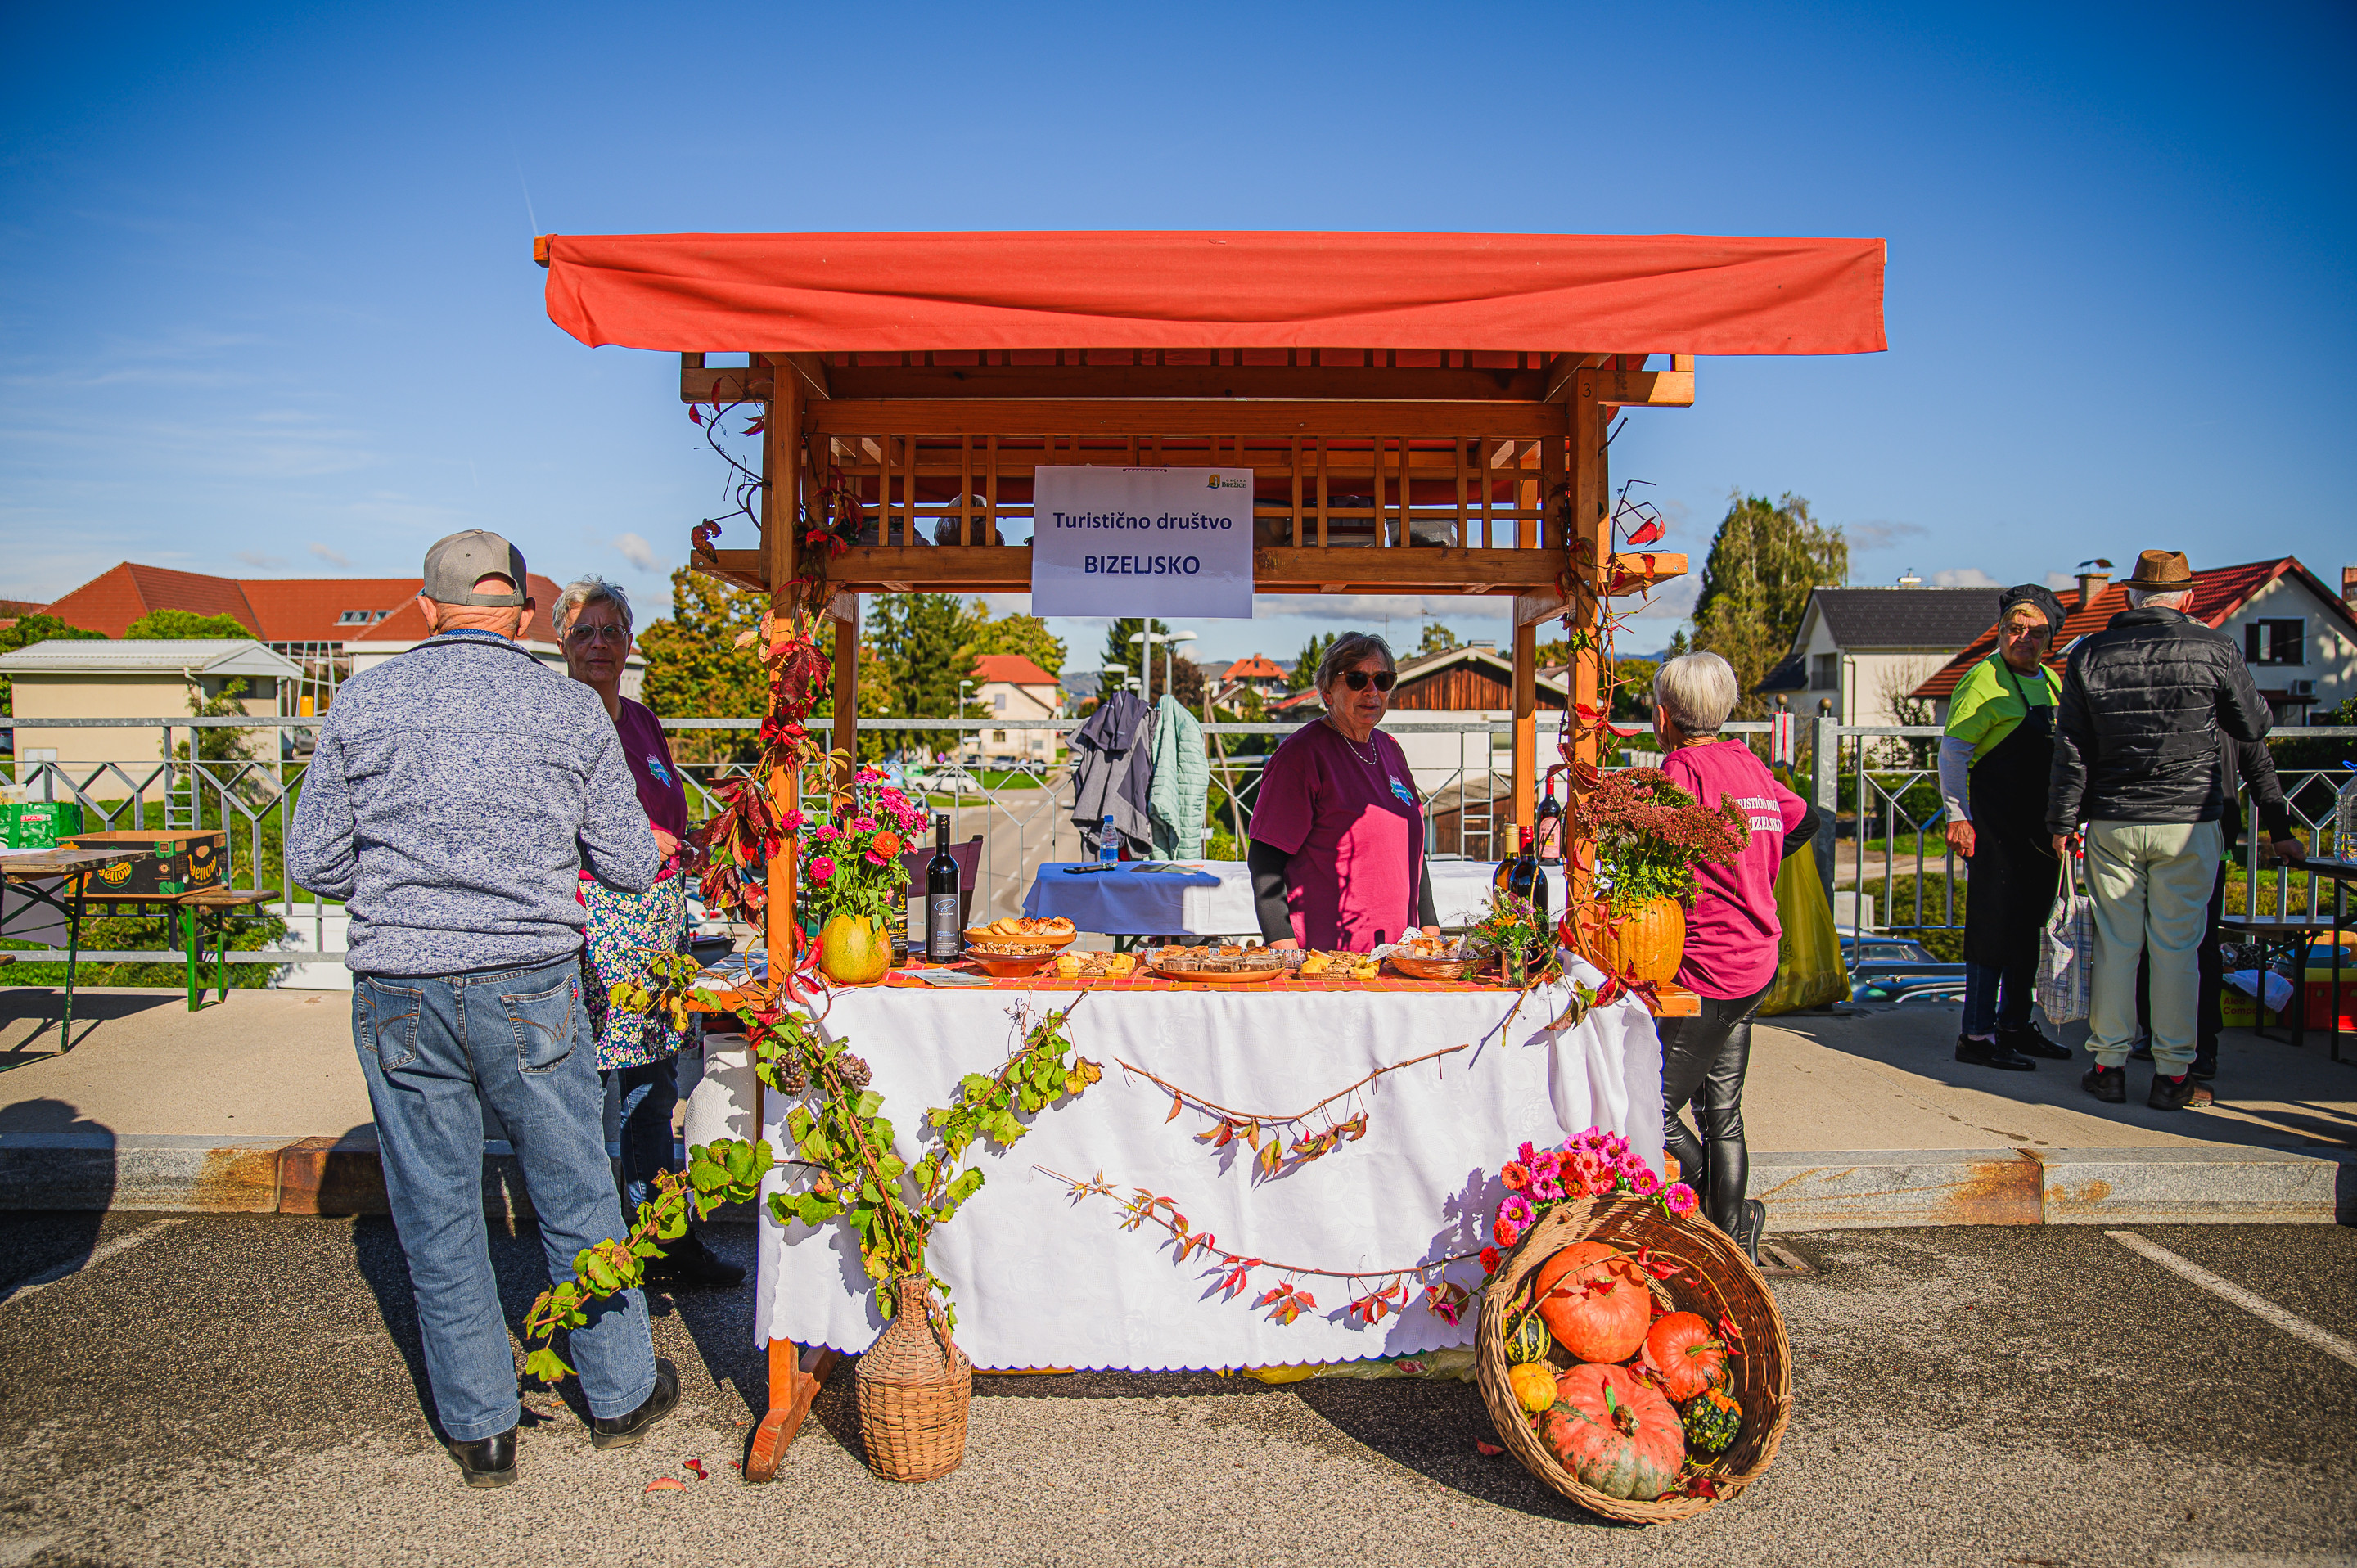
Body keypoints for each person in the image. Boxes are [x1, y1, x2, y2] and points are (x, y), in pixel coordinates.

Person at [288, 531, 678, 1489]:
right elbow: (631, 860)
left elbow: (313, 860)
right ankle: (621, 1392)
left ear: (427, 609)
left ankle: (480, 1428)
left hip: (400, 983)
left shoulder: (363, 698)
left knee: (436, 1206)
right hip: (532, 981)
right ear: (516, 616)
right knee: (577, 1187)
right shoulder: (565, 708)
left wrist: (412, 885)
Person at [553, 576, 743, 1290]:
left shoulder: (639, 720)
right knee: (582, 1092)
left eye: (611, 632)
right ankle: (595, 1253)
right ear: (561, 642)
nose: (599, 645)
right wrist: (636, 845)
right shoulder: (556, 722)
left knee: (655, 1090)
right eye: (584, 633)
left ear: (629, 643)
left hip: (655, 931)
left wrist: (684, 845)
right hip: (586, 929)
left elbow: (666, 811)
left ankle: (664, 1238)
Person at [2048, 548, 2272, 1111]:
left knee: (2118, 947)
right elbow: (2253, 724)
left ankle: (2108, 1065)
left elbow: (2070, 746)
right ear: (2188, 599)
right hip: (2189, 820)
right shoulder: (2214, 648)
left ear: (2128, 596)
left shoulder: (2091, 652)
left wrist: (2062, 819)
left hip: (2114, 819)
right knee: (2178, 949)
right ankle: (2175, 1074)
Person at [1650, 652, 1818, 1263]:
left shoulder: (1682, 770)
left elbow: (1652, 856)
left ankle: (1706, 1198)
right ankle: (1731, 1235)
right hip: (1756, 956)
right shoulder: (1748, 763)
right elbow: (1803, 818)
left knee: (1647, 1103)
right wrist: (1753, 865)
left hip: (1710, 967)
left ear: (1664, 716)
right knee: (1721, 1110)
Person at [1939, 583, 2073, 1071]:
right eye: (2014, 629)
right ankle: (1976, 1035)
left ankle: (2015, 1026)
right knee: (1993, 930)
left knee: (2029, 931)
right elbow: (1954, 752)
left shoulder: (2054, 682)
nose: (2023, 638)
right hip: (1993, 826)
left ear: (2050, 639)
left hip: (2040, 830)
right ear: (2000, 632)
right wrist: (1958, 815)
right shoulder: (1982, 680)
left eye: (2036, 632)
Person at [1248, 632, 1439, 950]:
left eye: (1383, 679)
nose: (1372, 691)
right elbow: (1265, 860)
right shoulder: (1302, 756)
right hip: (1328, 961)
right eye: (1356, 679)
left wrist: (1430, 930)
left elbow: (1413, 852)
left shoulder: (1391, 749)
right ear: (1327, 691)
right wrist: (1284, 949)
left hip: (1401, 955)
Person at [2131, 737, 2305, 1084]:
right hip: (2163, 832)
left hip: (2200, 834)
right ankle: (2161, 1035)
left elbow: (2258, 765)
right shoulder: (2225, 693)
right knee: (2161, 940)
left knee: (2193, 943)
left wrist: (2281, 830)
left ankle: (2194, 1043)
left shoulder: (2226, 699)